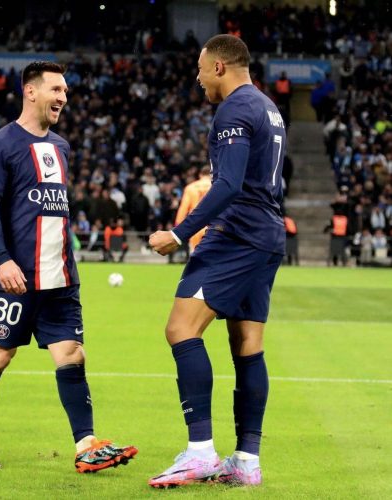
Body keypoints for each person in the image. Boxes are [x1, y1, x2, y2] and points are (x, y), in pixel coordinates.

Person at [0, 61, 137, 471]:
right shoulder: (0, 144)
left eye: (65, 92)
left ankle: (86, 445)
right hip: (16, 278)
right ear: (30, 91)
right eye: (56, 89)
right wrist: (0, 259)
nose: (63, 97)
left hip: (60, 278)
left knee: (73, 354)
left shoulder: (61, 147)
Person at [148, 35, 286, 488]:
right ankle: (246, 460)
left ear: (221, 67)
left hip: (237, 234)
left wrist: (178, 232)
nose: (198, 77)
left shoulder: (233, 109)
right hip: (266, 234)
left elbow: (225, 185)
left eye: (202, 69)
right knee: (248, 344)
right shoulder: (268, 107)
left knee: (180, 328)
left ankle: (200, 452)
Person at [175, 166, 212, 253]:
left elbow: (183, 208)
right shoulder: (216, 186)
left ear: (200, 175)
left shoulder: (190, 187)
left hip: (195, 225)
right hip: (212, 226)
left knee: (195, 255)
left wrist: (177, 227)